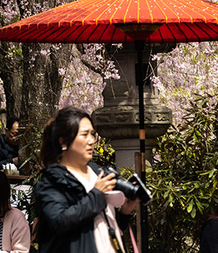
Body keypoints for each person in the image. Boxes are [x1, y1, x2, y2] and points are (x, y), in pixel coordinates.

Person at [32, 106, 139, 253]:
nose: (91, 141)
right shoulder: (53, 180)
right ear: (63, 142)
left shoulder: (97, 171)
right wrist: (96, 194)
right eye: (84, 134)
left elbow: (101, 224)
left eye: (93, 134)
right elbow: (59, 222)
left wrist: (124, 213)